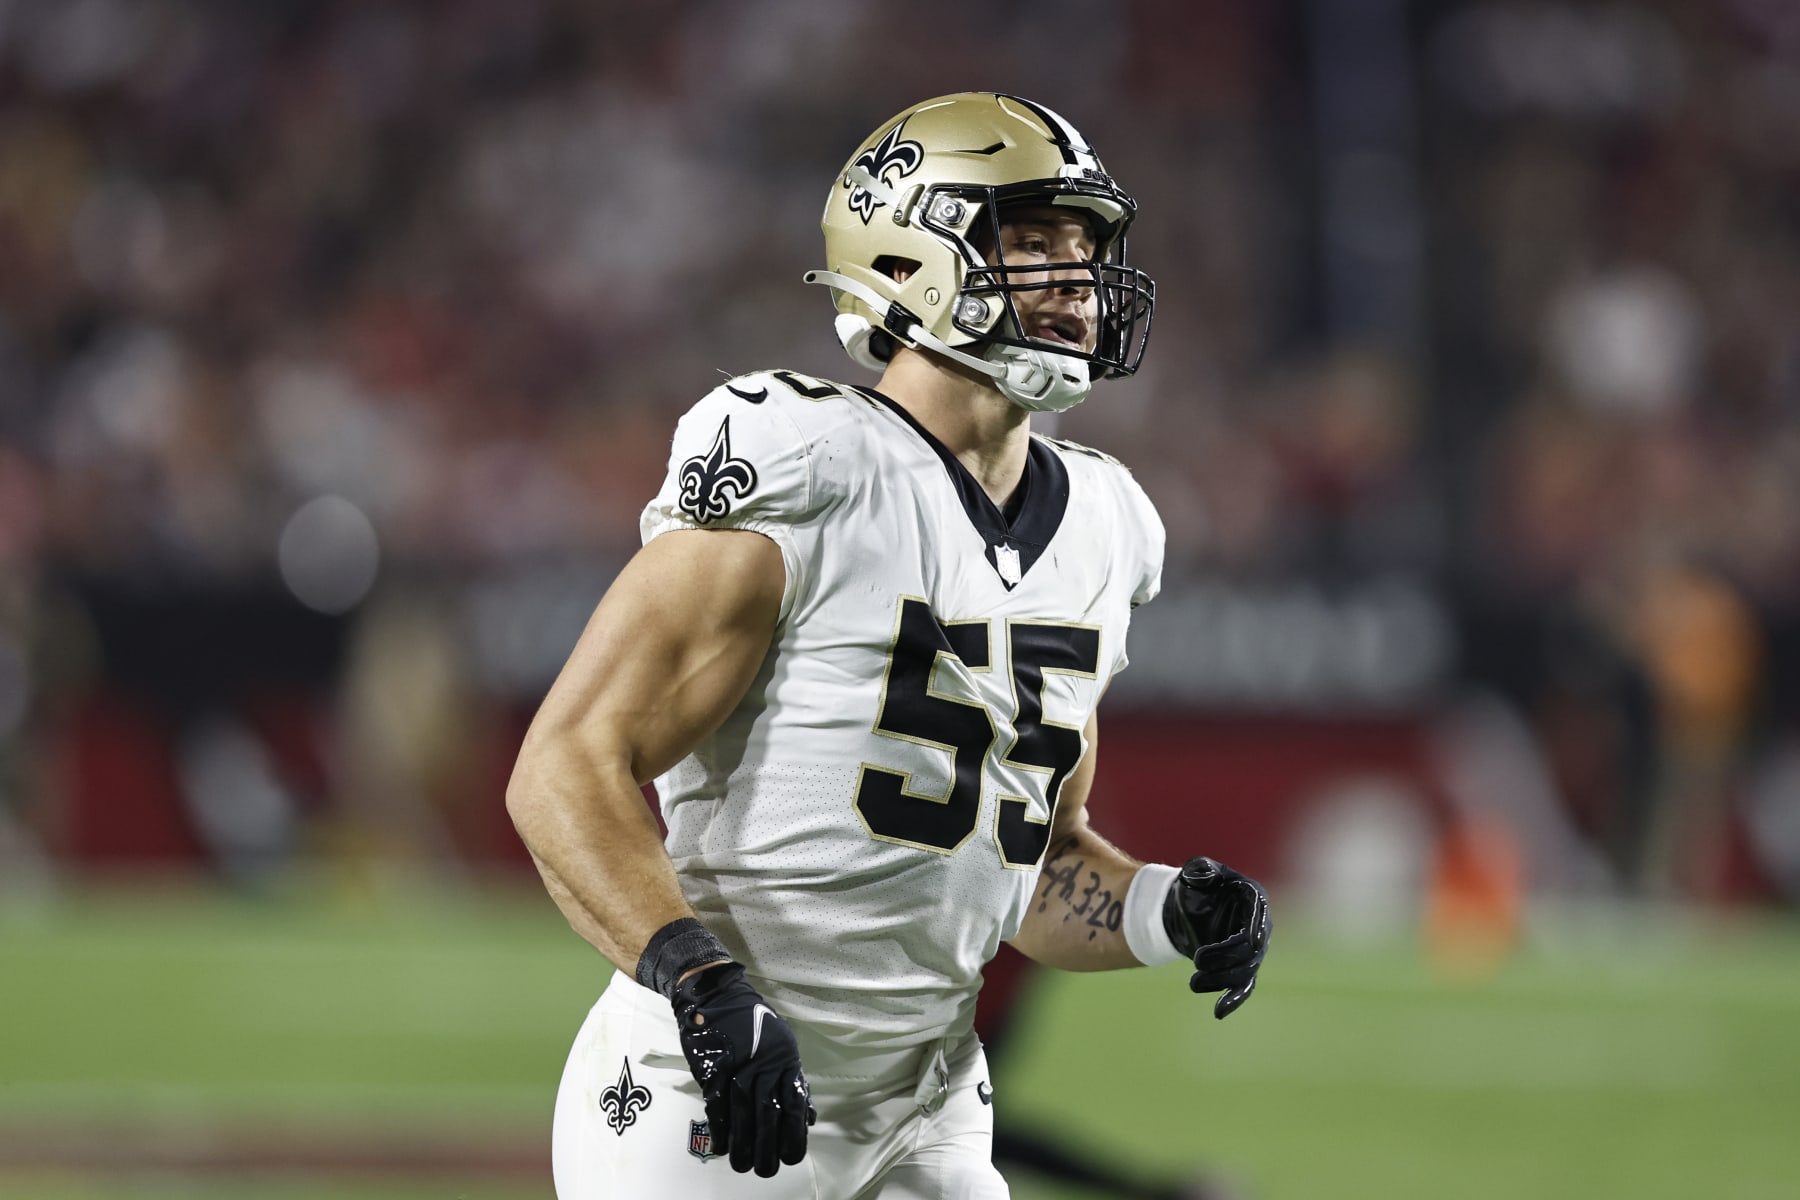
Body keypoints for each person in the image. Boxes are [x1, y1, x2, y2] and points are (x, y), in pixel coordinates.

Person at [507, 92, 1272, 1199]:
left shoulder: (1106, 526)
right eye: (1032, 240)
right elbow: (564, 764)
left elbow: (1034, 861)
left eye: (1085, 245)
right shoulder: (809, 466)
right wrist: (697, 980)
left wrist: (1164, 910)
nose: (1075, 278)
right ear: (908, 260)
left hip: (928, 1097)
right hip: (706, 1082)